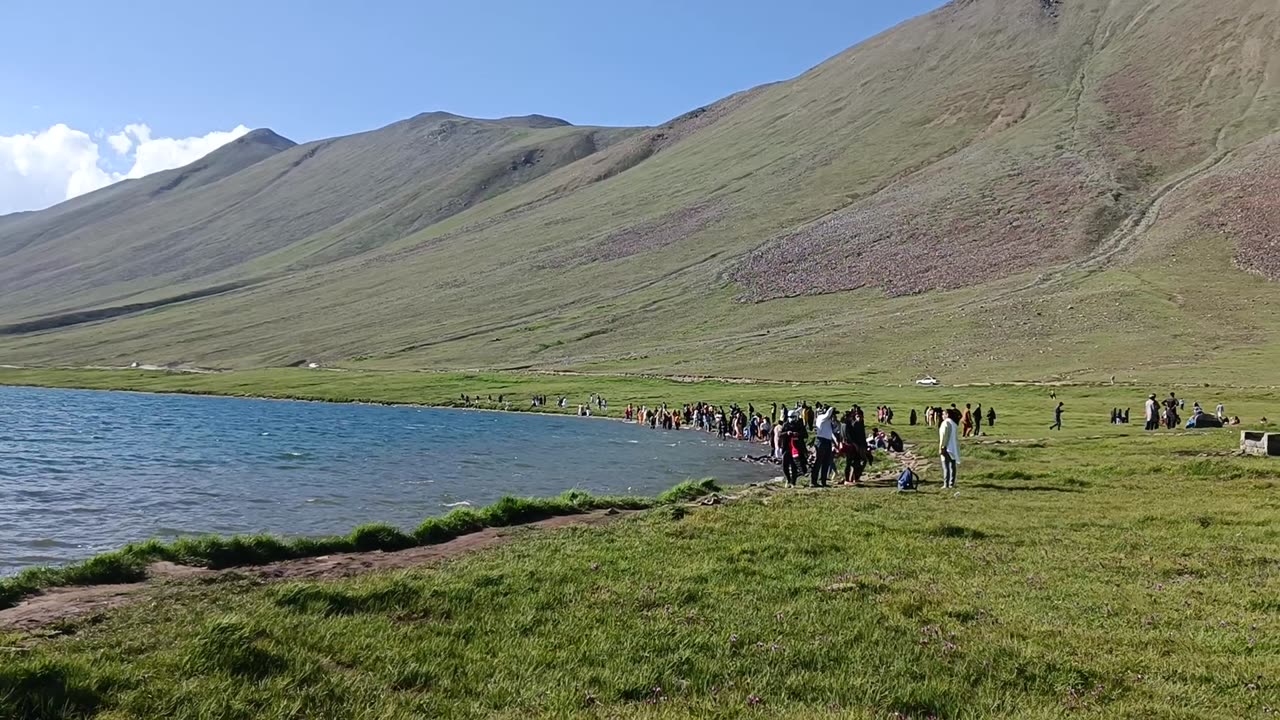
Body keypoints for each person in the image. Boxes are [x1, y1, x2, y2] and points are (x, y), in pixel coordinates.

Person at [779, 411, 809, 487]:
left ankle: (793, 482)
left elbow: (805, 435)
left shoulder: (799, 425)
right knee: (785, 466)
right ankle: (788, 479)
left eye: (792, 417)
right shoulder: (786, 424)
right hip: (786, 448)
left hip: (796, 448)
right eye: (789, 417)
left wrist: (798, 434)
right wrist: (787, 433)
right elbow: (780, 434)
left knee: (794, 466)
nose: (791, 419)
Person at [811, 404, 837, 488]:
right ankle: (813, 481)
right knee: (818, 462)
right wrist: (832, 408)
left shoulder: (827, 420)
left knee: (826, 462)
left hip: (827, 441)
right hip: (821, 441)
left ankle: (823, 481)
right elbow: (828, 413)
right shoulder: (821, 417)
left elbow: (831, 431)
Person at [939, 408, 961, 489]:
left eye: (943, 414)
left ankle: (946, 484)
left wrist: (942, 446)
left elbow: (944, 436)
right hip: (954, 447)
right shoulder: (954, 424)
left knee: (946, 466)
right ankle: (952, 482)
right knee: (952, 466)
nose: (942, 416)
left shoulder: (945, 423)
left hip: (946, 447)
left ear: (947, 415)